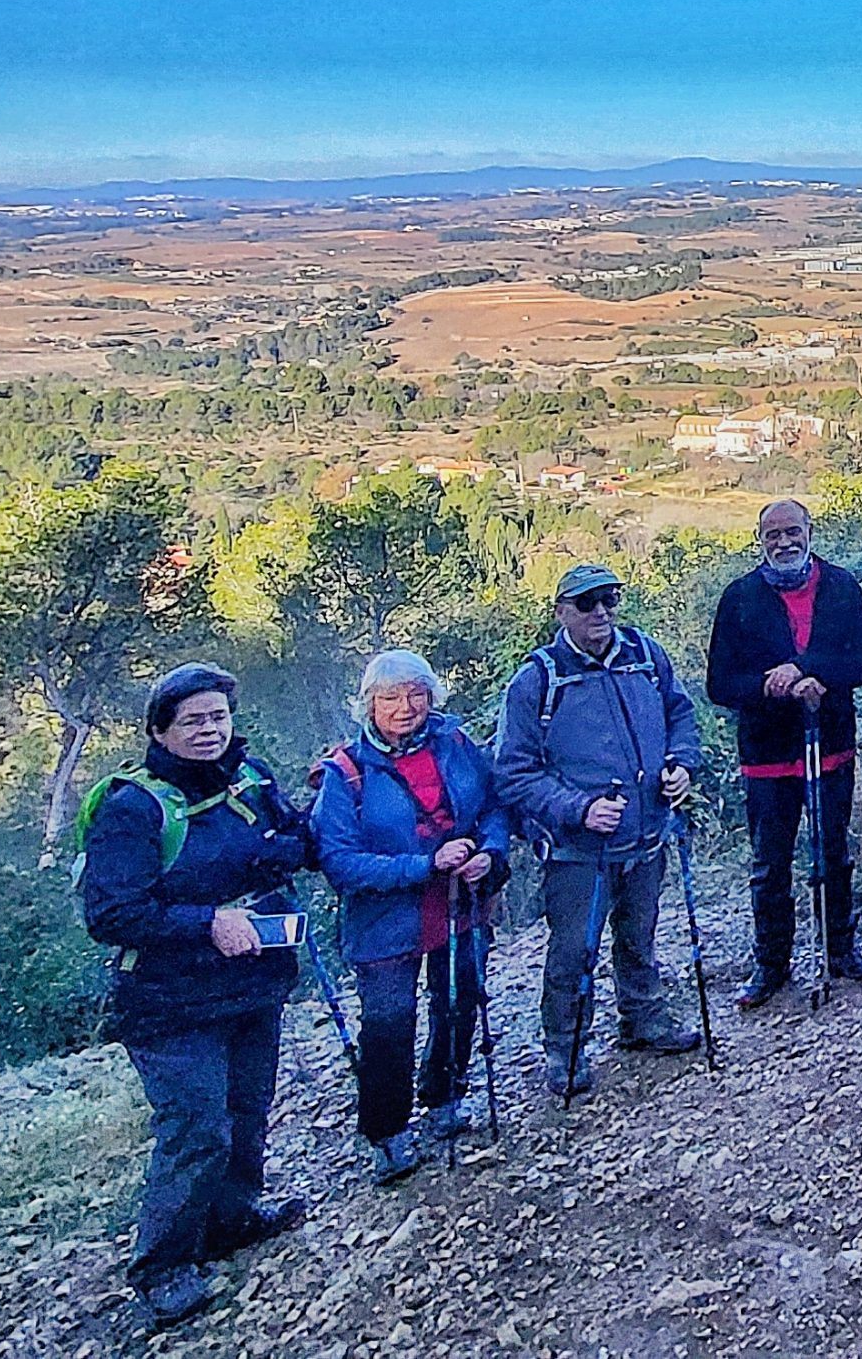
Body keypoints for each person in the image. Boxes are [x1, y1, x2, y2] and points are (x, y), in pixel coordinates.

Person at [76, 664, 312, 1329]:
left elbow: (293, 837)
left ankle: (234, 1216)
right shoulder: (133, 806)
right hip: (168, 999)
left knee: (246, 1107)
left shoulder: (251, 777)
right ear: (160, 729)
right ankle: (163, 1266)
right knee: (194, 1127)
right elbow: (112, 912)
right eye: (194, 720)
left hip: (253, 979)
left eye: (219, 716)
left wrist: (285, 848)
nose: (211, 730)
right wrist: (207, 920)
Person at [493, 563, 706, 1097]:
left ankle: (643, 1019)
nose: (601, 612)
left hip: (646, 831)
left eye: (609, 599)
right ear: (561, 611)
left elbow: (681, 715)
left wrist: (681, 763)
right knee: (573, 949)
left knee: (639, 934)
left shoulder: (645, 656)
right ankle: (564, 1050)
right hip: (577, 848)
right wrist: (577, 809)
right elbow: (513, 772)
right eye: (587, 603)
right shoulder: (537, 679)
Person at [310, 650, 508, 1184]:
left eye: (417, 694)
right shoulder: (345, 772)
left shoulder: (456, 744)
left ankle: (445, 1096)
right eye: (391, 697)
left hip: (459, 905)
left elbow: (493, 804)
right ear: (368, 704)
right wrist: (424, 865)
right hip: (386, 921)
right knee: (389, 1023)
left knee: (461, 997)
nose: (406, 707)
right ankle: (387, 1130)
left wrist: (490, 851)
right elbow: (339, 860)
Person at [705, 499, 862, 1007]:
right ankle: (771, 966)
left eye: (792, 531)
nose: (783, 542)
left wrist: (810, 672)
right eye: (772, 534)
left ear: (810, 532)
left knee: (833, 853)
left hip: (830, 747)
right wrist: (772, 685)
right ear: (759, 540)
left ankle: (841, 950)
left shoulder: (842, 587)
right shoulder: (739, 598)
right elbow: (720, 683)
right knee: (770, 863)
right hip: (767, 756)